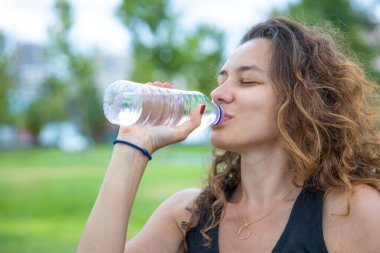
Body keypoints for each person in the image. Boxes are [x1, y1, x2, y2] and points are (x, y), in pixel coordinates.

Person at [77, 17, 380, 253]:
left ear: (301, 103)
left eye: (247, 81)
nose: (217, 94)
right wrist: (131, 145)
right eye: (221, 81)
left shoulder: (352, 211)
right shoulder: (190, 215)